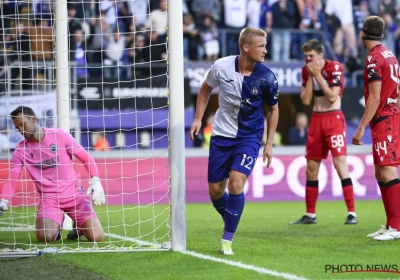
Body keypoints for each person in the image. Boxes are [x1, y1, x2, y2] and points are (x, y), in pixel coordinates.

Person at [189, 27, 279, 255]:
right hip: (221, 136)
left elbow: (273, 109)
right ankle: (231, 217)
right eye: (261, 46)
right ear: (246, 47)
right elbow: (205, 88)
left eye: (265, 46)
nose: (265, 51)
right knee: (215, 191)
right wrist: (198, 118)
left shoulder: (267, 77)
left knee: (236, 182)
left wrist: (268, 144)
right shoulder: (221, 66)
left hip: (249, 137)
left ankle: (227, 238)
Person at [0, 106, 105, 242]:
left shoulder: (60, 136)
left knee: (97, 237)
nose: (20, 130)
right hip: (49, 199)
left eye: (22, 124)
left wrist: (95, 180)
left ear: (33, 119)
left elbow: (86, 158)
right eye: (17, 127)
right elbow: (13, 179)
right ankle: (57, 224)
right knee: (45, 237)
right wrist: (4, 199)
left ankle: (79, 228)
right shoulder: (20, 151)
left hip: (75, 195)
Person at [290, 39, 357, 225]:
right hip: (316, 120)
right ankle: (310, 214)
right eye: (306, 57)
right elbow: (305, 100)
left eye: (311, 56)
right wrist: (311, 76)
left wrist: (318, 75)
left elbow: (332, 95)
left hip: (333, 118)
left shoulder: (334, 67)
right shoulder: (306, 71)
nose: (308, 60)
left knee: (339, 163)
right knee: (311, 168)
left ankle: (351, 212)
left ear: (321, 55)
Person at [352, 15, 400, 240]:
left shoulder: (373, 59)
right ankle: (390, 223)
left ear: (363, 34)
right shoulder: (390, 55)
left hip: (384, 118)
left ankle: (397, 227)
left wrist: (361, 127)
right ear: (381, 34)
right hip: (389, 117)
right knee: (380, 170)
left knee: (388, 169)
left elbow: (374, 97)